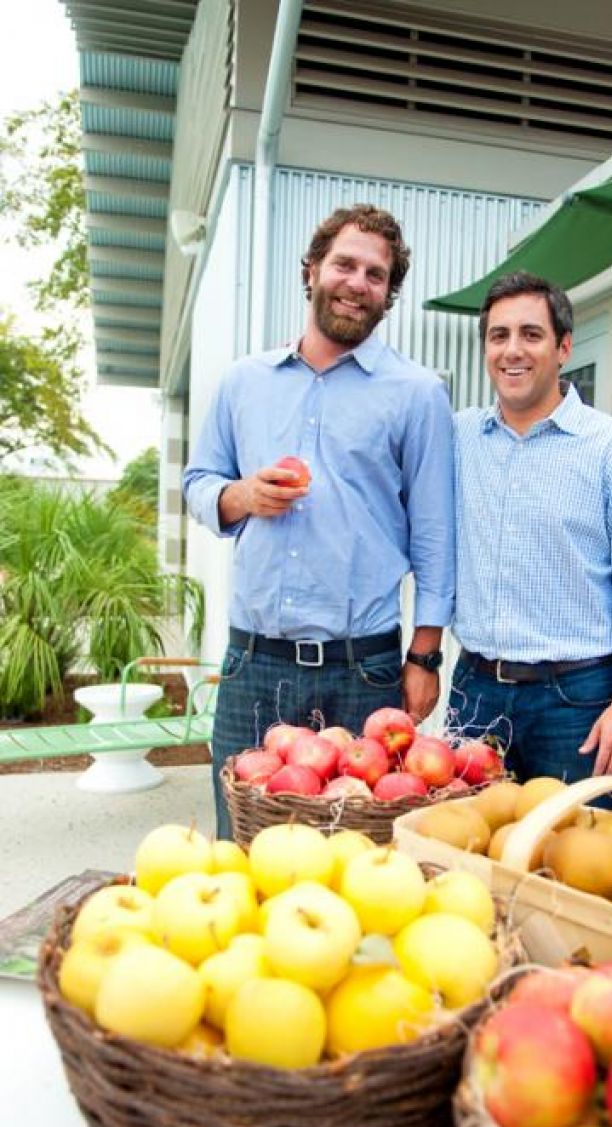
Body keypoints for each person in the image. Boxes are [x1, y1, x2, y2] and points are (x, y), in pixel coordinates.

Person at [184, 204, 455, 838]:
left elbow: (437, 539)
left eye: (377, 274)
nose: (358, 282)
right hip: (256, 666)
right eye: (345, 264)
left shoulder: (417, 394)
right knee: (244, 853)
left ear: (388, 295)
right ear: (312, 271)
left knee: (363, 864)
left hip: (367, 672)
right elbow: (198, 485)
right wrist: (243, 496)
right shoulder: (243, 383)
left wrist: (425, 657)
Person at [448, 272, 612, 800]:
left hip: (576, 702)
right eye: (498, 335)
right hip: (475, 693)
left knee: (577, 858)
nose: (513, 350)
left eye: (531, 334)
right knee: (465, 858)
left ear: (564, 347)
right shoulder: (459, 438)